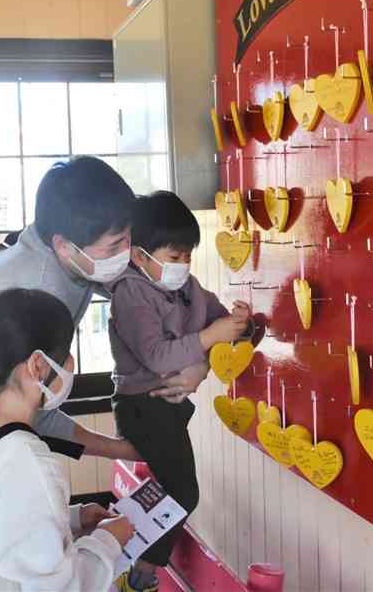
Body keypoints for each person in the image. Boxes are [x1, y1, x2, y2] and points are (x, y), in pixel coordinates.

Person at [0, 157, 146, 459]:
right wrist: (125, 450)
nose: (125, 253)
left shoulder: (58, 247)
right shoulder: (39, 292)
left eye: (128, 238)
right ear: (63, 245)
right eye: (114, 246)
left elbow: (127, 283)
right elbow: (36, 411)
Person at [0, 288, 135, 591]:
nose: (70, 362)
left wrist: (73, 519)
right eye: (65, 351)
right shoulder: (27, 463)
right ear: (37, 365)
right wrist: (107, 541)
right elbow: (59, 587)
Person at [108, 191, 253, 592]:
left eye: (188, 255)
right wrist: (209, 338)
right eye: (174, 257)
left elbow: (220, 325)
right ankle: (140, 573)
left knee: (171, 487)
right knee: (184, 492)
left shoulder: (189, 286)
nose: (184, 265)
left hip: (169, 407)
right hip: (142, 406)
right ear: (140, 256)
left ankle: (116, 540)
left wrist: (239, 322)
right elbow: (157, 356)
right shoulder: (130, 292)